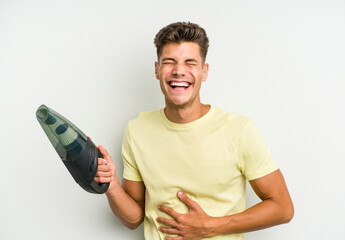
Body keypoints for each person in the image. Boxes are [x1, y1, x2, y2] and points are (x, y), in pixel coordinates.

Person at [95, 22, 294, 240]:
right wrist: (112, 185)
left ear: (204, 71)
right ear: (157, 69)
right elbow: (133, 219)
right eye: (169, 62)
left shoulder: (239, 130)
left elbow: (283, 208)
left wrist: (211, 226)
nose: (179, 71)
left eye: (190, 63)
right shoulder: (136, 131)